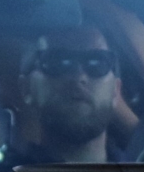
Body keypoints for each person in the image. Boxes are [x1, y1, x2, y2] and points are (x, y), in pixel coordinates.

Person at [14, 26, 120, 164]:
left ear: (116, 91)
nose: (79, 76)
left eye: (97, 62)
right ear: (26, 88)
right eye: (57, 62)